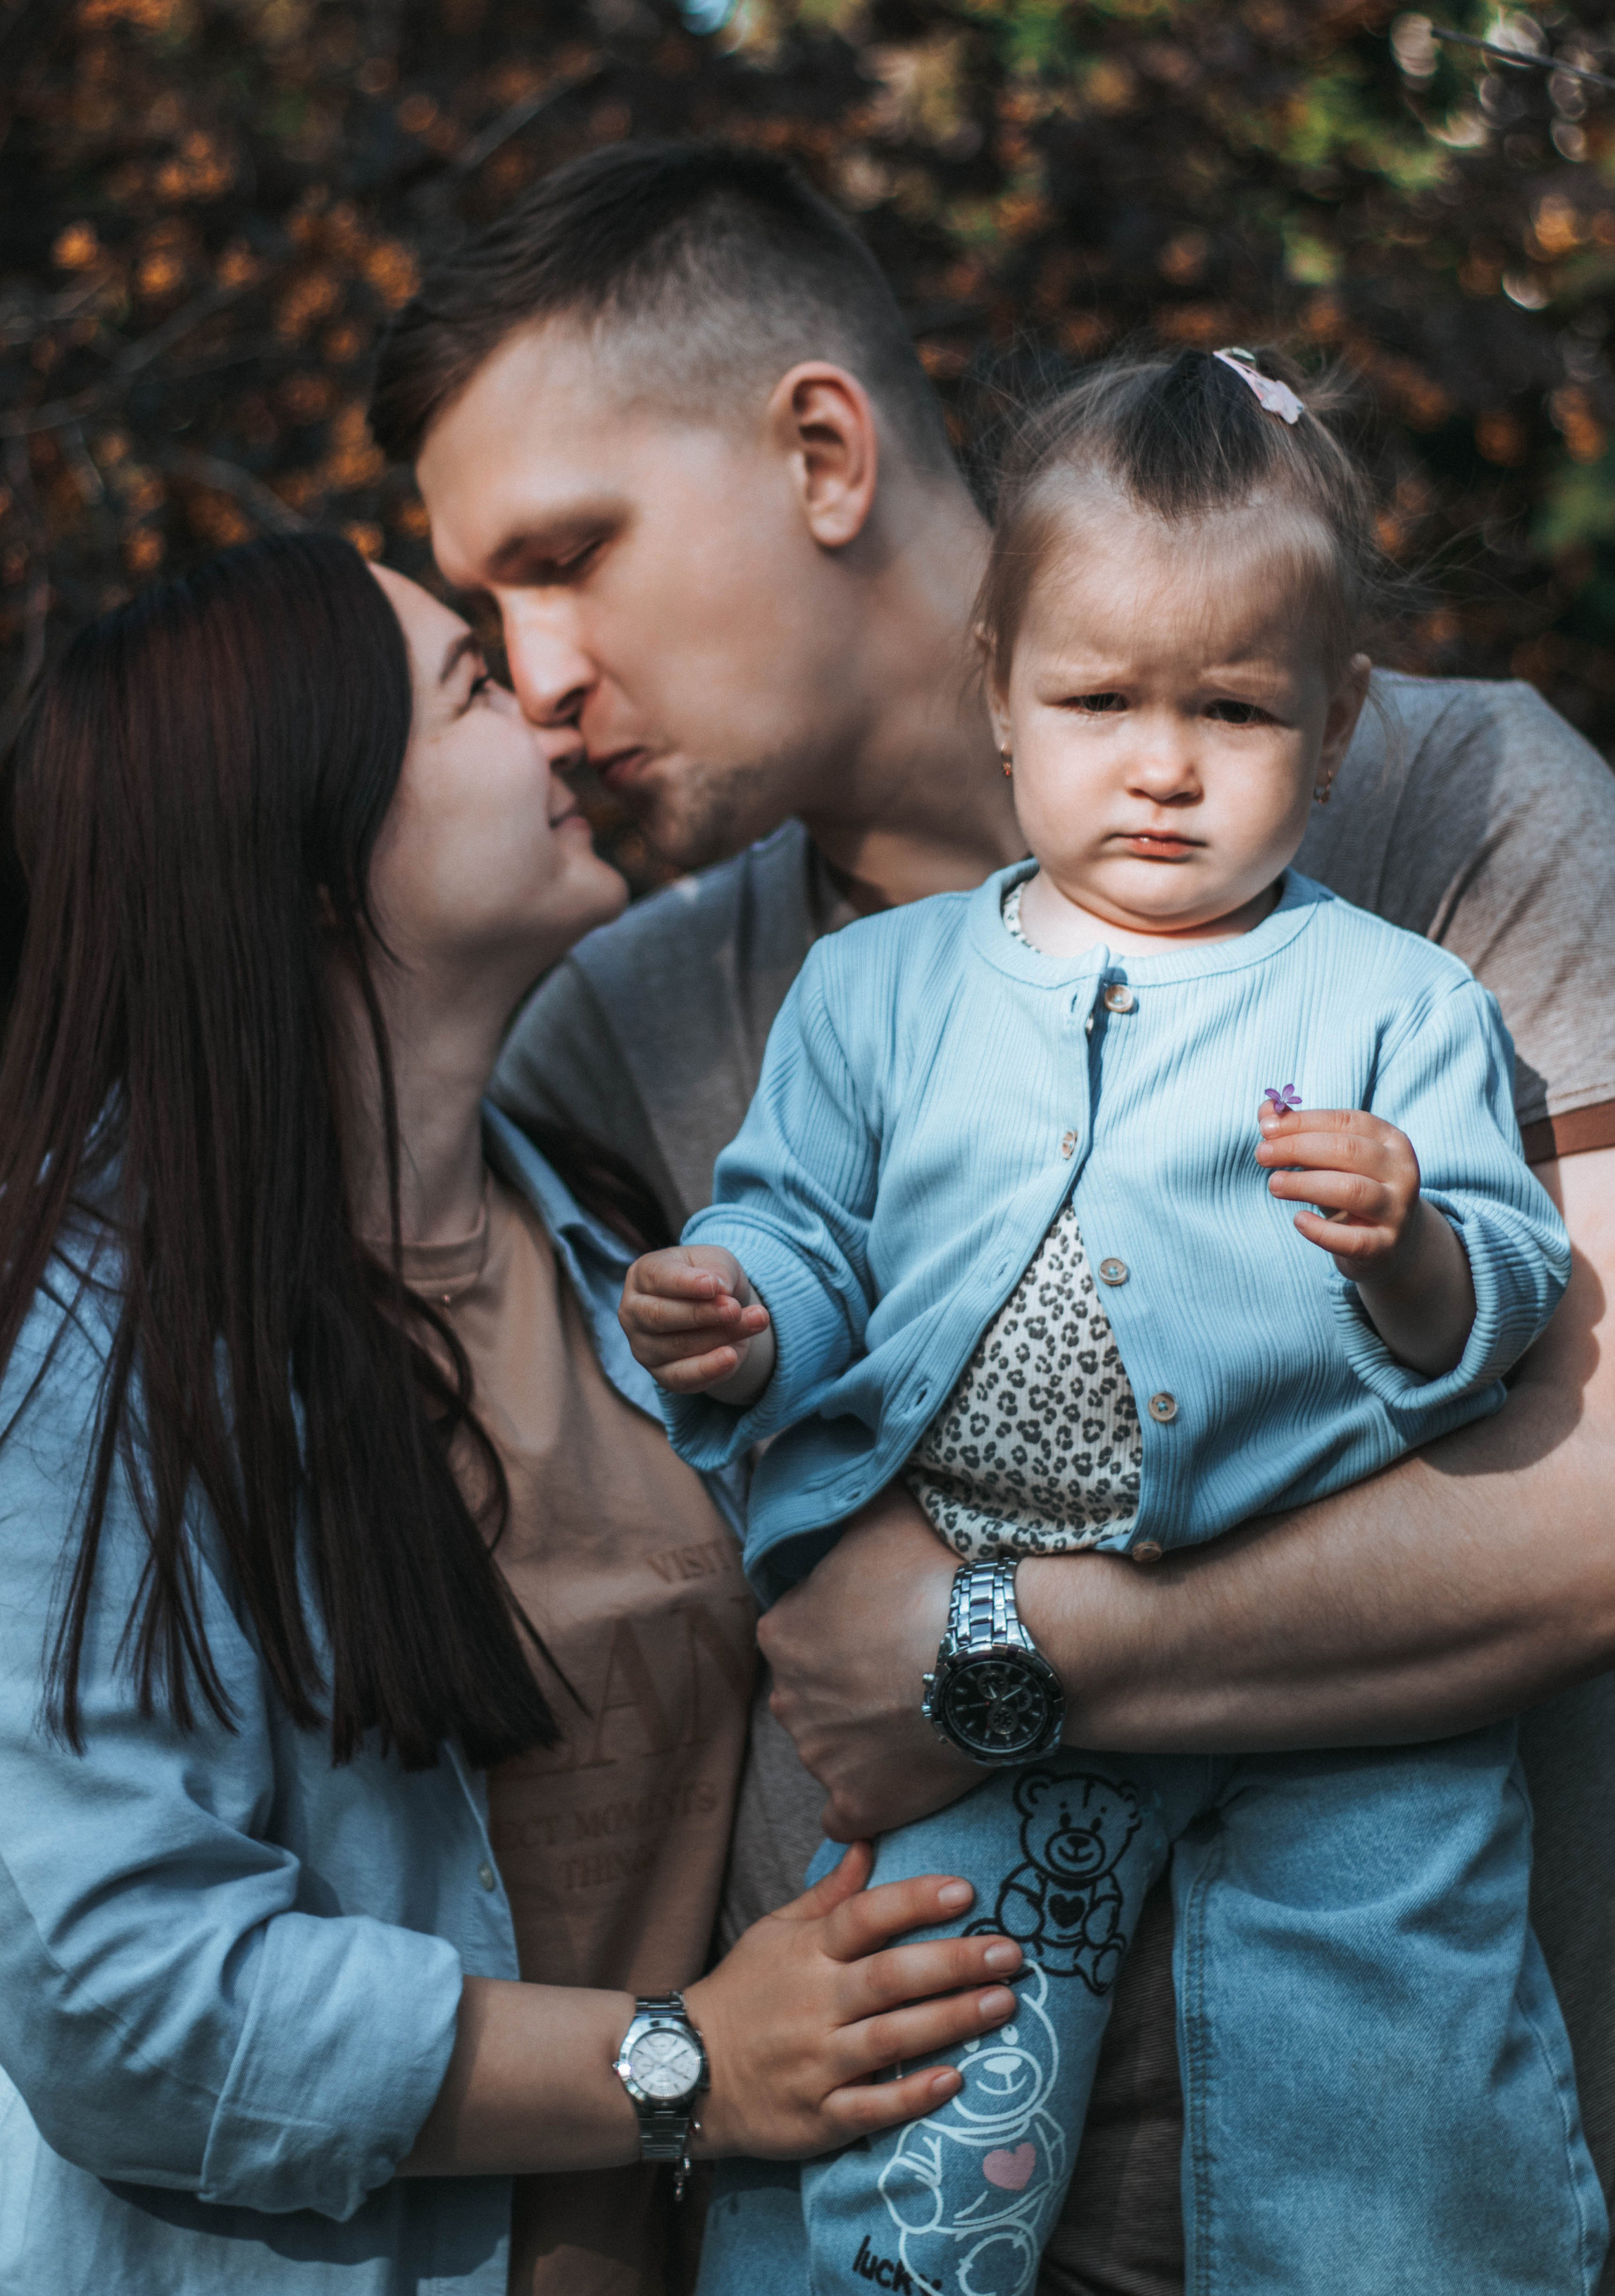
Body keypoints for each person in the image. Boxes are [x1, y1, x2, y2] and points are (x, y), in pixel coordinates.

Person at [373, 141, 1615, 2296]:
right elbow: (617, 1729)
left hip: (1480, 2197)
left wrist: (1012, 1654)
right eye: (488, 620)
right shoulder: (622, 1026)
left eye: (569, 559)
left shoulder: (1454, 807)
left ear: (824, 450)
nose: (539, 673)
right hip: (913, 2205)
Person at [622, 345, 1603, 2295]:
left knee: (1395, 2093)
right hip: (986, 1665)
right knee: (929, 2071)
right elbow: (808, 1232)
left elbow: (1506, 1293)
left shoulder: (1392, 1002)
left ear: (1332, 731)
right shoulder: (879, 992)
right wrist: (749, 1313)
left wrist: (1412, 1241)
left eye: (1232, 711)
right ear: (997, 692)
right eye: (1097, 701)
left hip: (1337, 1668)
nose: (1161, 765)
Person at [0, 532, 1025, 2296]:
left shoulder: (622, 1238)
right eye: (469, 686)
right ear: (313, 856)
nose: (549, 711)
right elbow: (121, 1997)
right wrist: (686, 2061)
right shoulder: (89, 1349)